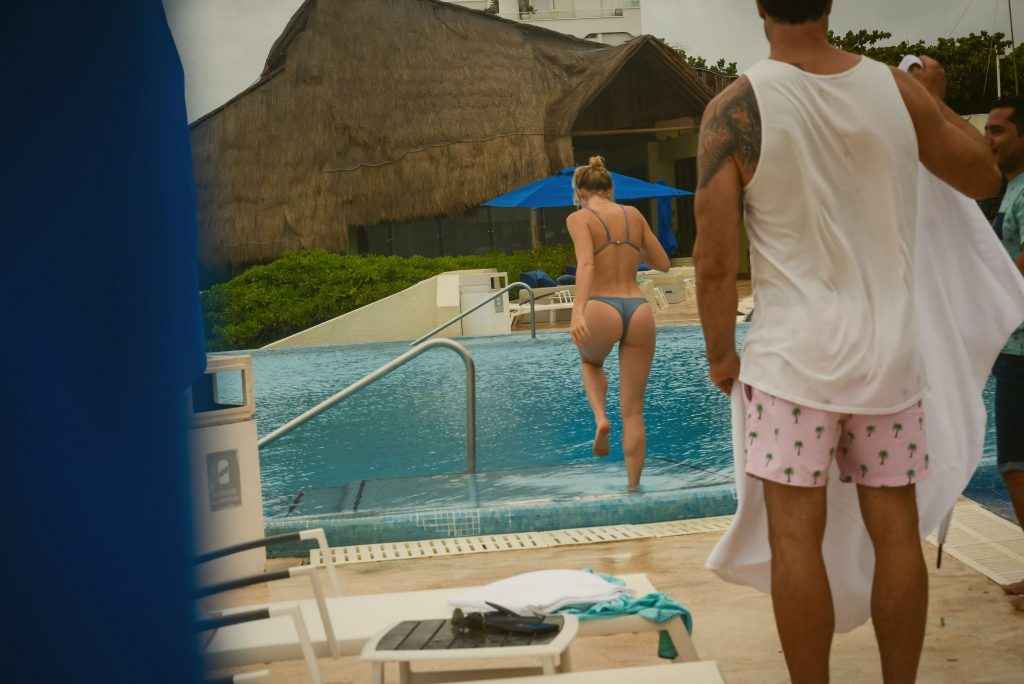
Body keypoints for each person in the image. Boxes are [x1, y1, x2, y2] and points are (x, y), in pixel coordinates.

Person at [693, 1, 1002, 682]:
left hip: (791, 364)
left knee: (794, 541)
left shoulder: (735, 108)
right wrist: (932, 100)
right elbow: (984, 174)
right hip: (888, 359)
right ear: (829, 3)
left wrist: (721, 356)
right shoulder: (895, 90)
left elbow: (713, 257)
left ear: (759, 6)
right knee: (897, 535)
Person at [567, 156, 670, 490]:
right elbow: (663, 262)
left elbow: (586, 265)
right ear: (610, 189)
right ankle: (633, 487)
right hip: (638, 309)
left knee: (590, 362)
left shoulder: (579, 218)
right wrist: (630, 246)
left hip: (602, 305)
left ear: (580, 193)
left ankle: (600, 418)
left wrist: (578, 311)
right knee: (634, 412)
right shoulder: (634, 215)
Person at [984, 95, 1024, 611]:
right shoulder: (1012, 189)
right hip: (1013, 348)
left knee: (1016, 465)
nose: (988, 139)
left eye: (998, 131)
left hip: (1022, 353)